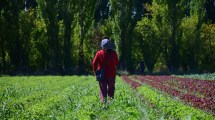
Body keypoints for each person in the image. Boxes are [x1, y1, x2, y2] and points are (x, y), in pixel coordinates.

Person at [92, 37, 118, 103]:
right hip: (111, 73)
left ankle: (103, 102)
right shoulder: (114, 53)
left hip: (101, 73)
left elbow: (94, 63)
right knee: (111, 88)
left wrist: (95, 71)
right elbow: (116, 63)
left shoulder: (99, 53)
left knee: (103, 88)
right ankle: (111, 101)